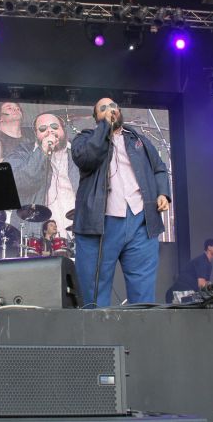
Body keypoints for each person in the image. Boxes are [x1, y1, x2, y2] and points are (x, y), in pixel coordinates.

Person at [72, 98, 171, 307]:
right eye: (103, 109)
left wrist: (163, 193)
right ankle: (100, 338)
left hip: (140, 223)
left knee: (143, 294)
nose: (110, 110)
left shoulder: (139, 140)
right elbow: (87, 158)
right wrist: (104, 128)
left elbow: (159, 168)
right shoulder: (85, 138)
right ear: (96, 118)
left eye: (113, 106)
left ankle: (140, 337)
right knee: (95, 296)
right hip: (99, 224)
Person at [6, 112, 79, 231]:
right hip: (37, 231)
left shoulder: (79, 150)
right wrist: (42, 152)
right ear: (35, 134)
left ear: (64, 129)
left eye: (54, 127)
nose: (50, 131)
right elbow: (18, 184)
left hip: (76, 225)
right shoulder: (23, 152)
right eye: (43, 129)